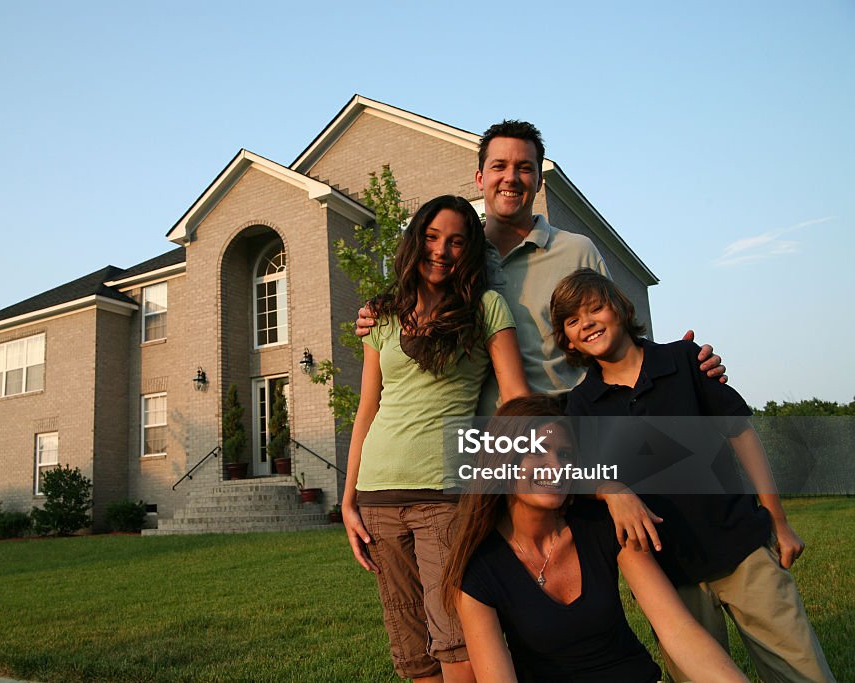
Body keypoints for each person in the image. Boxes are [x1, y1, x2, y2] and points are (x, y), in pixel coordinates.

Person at [552, 268, 836, 683]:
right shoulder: (582, 403)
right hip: (670, 575)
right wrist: (611, 490)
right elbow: (578, 473)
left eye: (595, 308)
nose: (588, 323)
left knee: (801, 670)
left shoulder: (684, 360)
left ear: (621, 308)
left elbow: (741, 434)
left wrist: (779, 520)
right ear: (567, 338)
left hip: (741, 549)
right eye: (573, 320)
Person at [355, 120, 725, 412]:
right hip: (487, 436)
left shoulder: (576, 251)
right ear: (480, 179)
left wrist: (684, 364)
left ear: (538, 179)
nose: (511, 177)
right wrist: (376, 314)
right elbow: (419, 309)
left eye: (524, 167)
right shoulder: (458, 259)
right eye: (499, 166)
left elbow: (616, 337)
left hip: (572, 425)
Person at [343, 195, 530, 682]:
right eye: (431, 237)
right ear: (415, 241)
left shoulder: (486, 307)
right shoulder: (382, 316)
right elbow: (368, 410)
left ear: (468, 251)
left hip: (445, 497)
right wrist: (348, 501)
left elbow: (515, 399)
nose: (441, 250)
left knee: (458, 643)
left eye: (455, 241)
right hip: (378, 498)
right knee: (412, 650)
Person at [441, 395, 747, 683]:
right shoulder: (479, 569)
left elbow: (677, 630)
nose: (556, 467)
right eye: (536, 451)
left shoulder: (599, 525)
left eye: (564, 454)